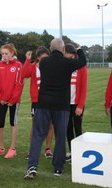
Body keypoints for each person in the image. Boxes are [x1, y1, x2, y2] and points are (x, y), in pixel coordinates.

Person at [24, 38, 86, 179]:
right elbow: (82, 61)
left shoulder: (44, 62)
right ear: (63, 49)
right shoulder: (67, 63)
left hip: (43, 103)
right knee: (60, 136)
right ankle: (58, 167)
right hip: (61, 105)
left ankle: (32, 166)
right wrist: (78, 49)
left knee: (38, 135)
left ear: (50, 49)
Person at [0, 43, 24, 159]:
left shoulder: (18, 65)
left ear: (12, 53)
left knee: (12, 122)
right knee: (0, 123)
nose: (4, 56)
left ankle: (12, 148)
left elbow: (19, 84)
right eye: (3, 54)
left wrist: (13, 99)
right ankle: (1, 148)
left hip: (13, 101)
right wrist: (0, 98)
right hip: (2, 100)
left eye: (6, 53)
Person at [22, 47, 54, 159]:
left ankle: (48, 149)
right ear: (38, 57)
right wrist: (27, 60)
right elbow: (24, 74)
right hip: (37, 101)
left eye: (46, 57)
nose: (44, 59)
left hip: (49, 99)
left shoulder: (52, 66)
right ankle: (32, 150)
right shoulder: (33, 67)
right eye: (42, 57)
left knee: (50, 125)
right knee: (35, 125)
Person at [63, 44, 88, 162]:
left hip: (77, 104)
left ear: (73, 55)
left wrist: (80, 105)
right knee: (68, 128)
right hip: (66, 104)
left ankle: (80, 152)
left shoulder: (81, 67)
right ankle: (72, 152)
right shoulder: (64, 65)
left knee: (78, 128)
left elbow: (84, 87)